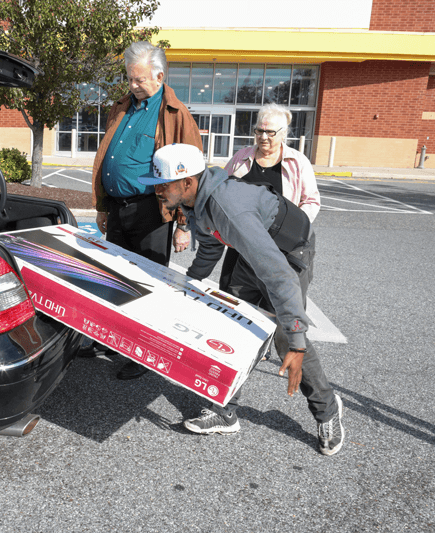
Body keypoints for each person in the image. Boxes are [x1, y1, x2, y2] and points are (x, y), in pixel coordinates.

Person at [138, 143, 344, 456]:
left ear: (187, 183)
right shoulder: (197, 200)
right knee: (231, 324)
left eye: (163, 185)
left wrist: (297, 341)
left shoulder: (227, 208)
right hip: (252, 250)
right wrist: (190, 285)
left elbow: (281, 277)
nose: (157, 192)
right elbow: (210, 244)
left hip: (288, 253)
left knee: (285, 339)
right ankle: (224, 411)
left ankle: (327, 411)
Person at [89, 41, 201, 380]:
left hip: (151, 211)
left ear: (159, 76)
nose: (133, 86)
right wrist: (103, 205)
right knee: (116, 278)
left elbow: (189, 175)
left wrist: (184, 224)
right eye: (130, 79)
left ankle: (143, 352)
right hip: (118, 208)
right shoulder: (123, 107)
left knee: (148, 284)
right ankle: (112, 340)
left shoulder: (175, 114)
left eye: (139, 80)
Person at [187, 103, 320, 293]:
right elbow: (219, 188)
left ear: (284, 133)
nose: (263, 137)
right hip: (239, 241)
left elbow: (311, 201)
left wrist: (292, 229)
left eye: (270, 132)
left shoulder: (298, 162)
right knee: (232, 295)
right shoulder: (242, 157)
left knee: (271, 300)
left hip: (278, 245)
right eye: (259, 131)